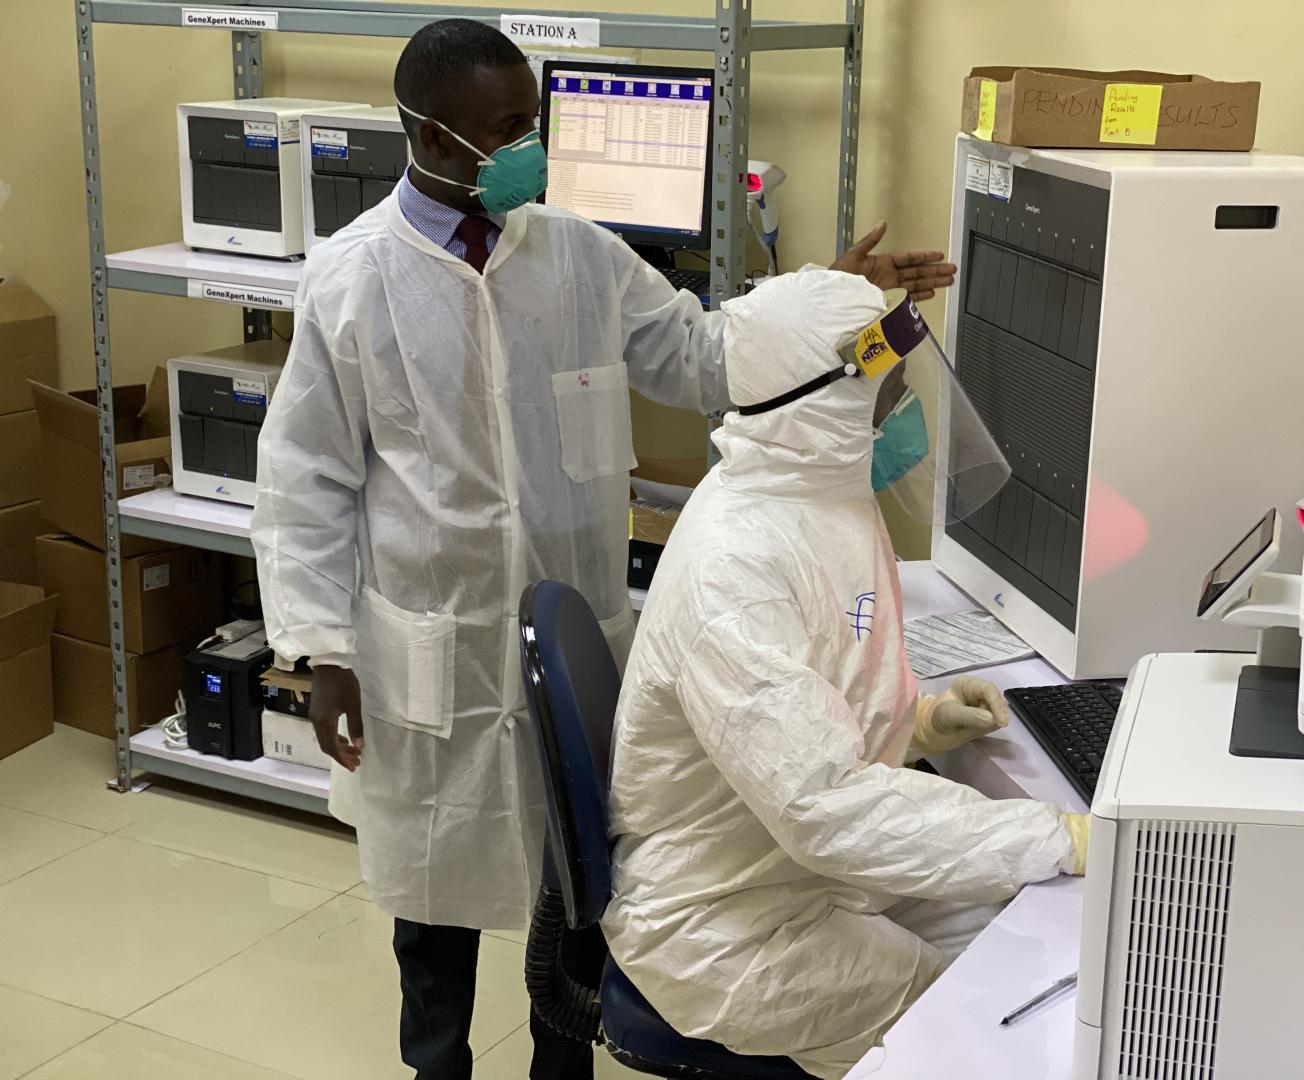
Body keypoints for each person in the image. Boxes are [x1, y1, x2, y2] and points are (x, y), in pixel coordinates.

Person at [251, 19, 956, 1080]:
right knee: (434, 916)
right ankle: (434, 1066)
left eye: (534, 124)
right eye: (509, 131)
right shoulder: (351, 282)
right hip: (432, 655)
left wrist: (827, 308)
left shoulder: (573, 253)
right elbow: (305, 479)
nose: (532, 149)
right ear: (432, 137)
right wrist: (318, 652)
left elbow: (701, 352)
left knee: (579, 896)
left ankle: (560, 1066)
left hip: (576, 640)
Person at [602, 267, 1089, 1080]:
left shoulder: (822, 493)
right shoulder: (736, 567)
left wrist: (919, 720)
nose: (904, 412)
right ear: (822, 403)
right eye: (888, 391)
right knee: (984, 1032)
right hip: (723, 920)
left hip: (800, 865)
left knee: (1037, 939)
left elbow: (817, 693)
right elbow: (823, 808)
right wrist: (1060, 834)